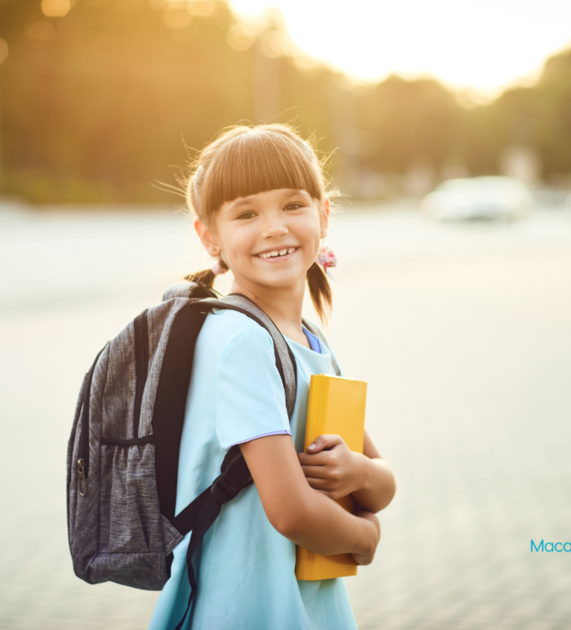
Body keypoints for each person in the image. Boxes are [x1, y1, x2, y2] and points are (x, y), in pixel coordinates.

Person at [148, 123, 396, 630]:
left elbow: (381, 480)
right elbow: (293, 512)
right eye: (246, 213)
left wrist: (359, 474)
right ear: (209, 235)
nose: (274, 227)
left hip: (306, 602)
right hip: (247, 605)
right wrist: (365, 538)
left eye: (292, 205)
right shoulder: (241, 342)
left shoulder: (310, 340)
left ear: (323, 215)